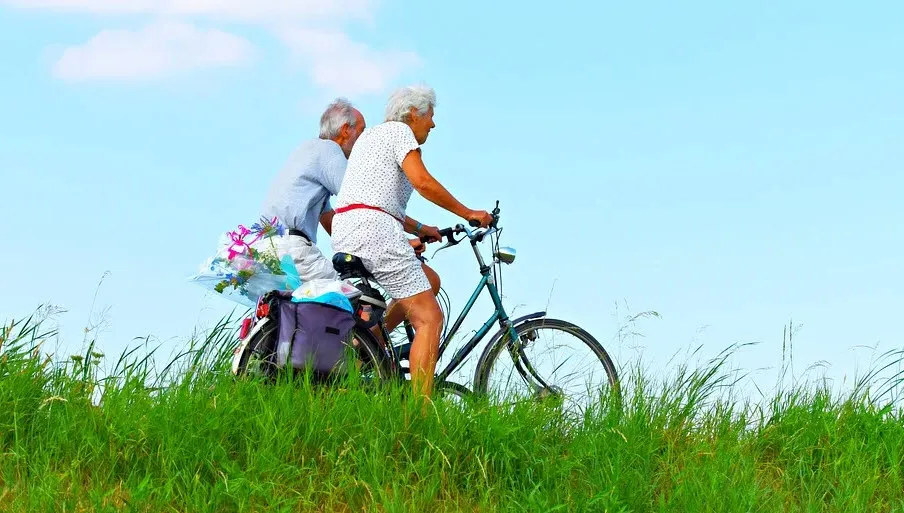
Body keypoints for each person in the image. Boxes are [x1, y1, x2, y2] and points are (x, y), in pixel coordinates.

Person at [330, 85, 493, 399]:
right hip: (374, 231)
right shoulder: (400, 133)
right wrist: (468, 212)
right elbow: (423, 181)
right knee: (429, 318)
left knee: (428, 280)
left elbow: (375, 198)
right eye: (430, 116)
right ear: (414, 113)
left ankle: (371, 343)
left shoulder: (371, 138)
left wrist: (421, 228)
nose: (432, 124)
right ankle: (419, 415)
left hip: (350, 229)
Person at [255, 98, 366, 281]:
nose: (364, 140)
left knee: (294, 307)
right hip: (292, 248)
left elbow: (329, 219)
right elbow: (361, 199)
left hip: (267, 248)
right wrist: (396, 242)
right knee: (348, 299)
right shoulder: (329, 150)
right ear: (346, 130)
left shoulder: (308, 150)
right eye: (362, 131)